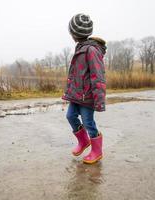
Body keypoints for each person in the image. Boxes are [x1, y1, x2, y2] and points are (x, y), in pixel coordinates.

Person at [62, 13, 106, 164]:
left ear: (74, 34)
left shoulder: (91, 50)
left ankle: (97, 150)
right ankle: (84, 141)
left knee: (88, 122)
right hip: (76, 95)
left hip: (87, 97)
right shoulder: (80, 48)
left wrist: (99, 100)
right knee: (70, 116)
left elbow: (98, 75)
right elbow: (77, 74)